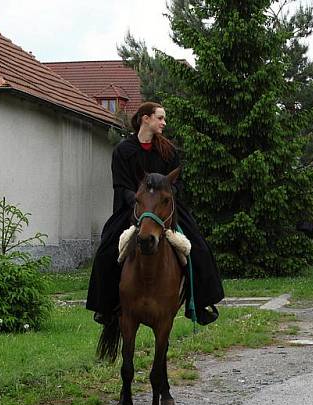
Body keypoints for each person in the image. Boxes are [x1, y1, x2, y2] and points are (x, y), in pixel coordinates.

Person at [86, 102, 224, 326]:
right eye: (160, 118)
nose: (164, 123)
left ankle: (200, 302)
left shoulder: (168, 151)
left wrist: (163, 200)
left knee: (198, 246)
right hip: (133, 209)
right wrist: (140, 204)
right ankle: (107, 307)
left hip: (165, 210)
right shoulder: (123, 151)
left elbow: (178, 184)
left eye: (163, 119)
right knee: (106, 250)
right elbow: (121, 186)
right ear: (145, 119)